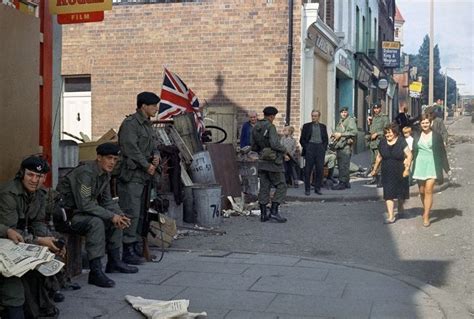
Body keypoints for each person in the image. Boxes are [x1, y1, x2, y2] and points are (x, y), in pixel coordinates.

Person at [56, 143, 138, 288]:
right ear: (99, 158)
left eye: (115, 159)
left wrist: (119, 215)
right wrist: (111, 216)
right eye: (109, 158)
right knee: (97, 222)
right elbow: (85, 204)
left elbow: (107, 201)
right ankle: (95, 271)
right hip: (67, 216)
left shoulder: (104, 174)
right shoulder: (86, 173)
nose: (112, 162)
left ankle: (114, 262)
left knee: (115, 218)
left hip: (82, 213)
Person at [0, 156, 62, 318]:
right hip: (6, 238)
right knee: (13, 277)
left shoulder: (40, 194)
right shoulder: (9, 193)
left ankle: (43, 300)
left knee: (51, 251)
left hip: (18, 238)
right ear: (22, 174)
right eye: (30, 175)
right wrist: (38, 241)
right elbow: (11, 231)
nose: (34, 180)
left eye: (39, 176)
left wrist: (47, 239)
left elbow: (38, 221)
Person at [117, 91, 161, 265]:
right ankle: (127, 248)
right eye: (153, 105)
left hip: (144, 176)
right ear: (143, 106)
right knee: (131, 212)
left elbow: (153, 144)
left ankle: (136, 246)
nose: (156, 109)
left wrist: (156, 156)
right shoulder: (131, 124)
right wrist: (146, 165)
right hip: (132, 175)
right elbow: (130, 148)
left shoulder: (147, 125)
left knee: (142, 213)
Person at [411, 113, 450, 227]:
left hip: (432, 164)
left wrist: (447, 168)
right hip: (419, 164)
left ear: (431, 123)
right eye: (423, 123)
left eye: (427, 122)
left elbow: (442, 153)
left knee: (428, 190)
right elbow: (413, 151)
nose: (425, 124)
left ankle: (426, 215)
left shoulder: (437, 136)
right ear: (420, 124)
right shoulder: (417, 135)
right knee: (422, 191)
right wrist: (408, 162)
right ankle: (426, 208)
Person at [370, 124, 412, 224]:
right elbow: (379, 157)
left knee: (400, 192)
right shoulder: (383, 142)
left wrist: (407, 169)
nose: (387, 134)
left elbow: (409, 155)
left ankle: (400, 206)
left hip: (400, 170)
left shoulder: (401, 141)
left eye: (389, 132)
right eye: (386, 133)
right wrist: (375, 169)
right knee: (388, 193)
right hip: (387, 170)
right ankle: (391, 216)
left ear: (395, 132)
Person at [251, 106, 287, 223]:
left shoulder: (256, 126)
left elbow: (254, 146)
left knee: (264, 187)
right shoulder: (270, 126)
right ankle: (274, 211)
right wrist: (284, 150)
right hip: (273, 162)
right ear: (272, 116)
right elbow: (275, 144)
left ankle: (263, 214)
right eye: (274, 117)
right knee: (281, 185)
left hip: (261, 161)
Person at [300, 110, 329, 195]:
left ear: (319, 117)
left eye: (315, 116)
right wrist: (307, 147)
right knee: (308, 169)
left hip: (320, 147)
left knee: (320, 169)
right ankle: (307, 189)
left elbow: (325, 139)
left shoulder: (323, 126)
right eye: (312, 116)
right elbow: (302, 139)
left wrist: (323, 148)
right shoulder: (306, 126)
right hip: (310, 147)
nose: (313, 117)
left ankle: (318, 188)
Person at [331, 107, 357, 190]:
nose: (344, 114)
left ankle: (342, 183)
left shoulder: (350, 120)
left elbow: (354, 132)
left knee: (343, 165)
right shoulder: (341, 121)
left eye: (345, 112)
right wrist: (334, 135)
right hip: (340, 145)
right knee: (343, 165)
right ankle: (346, 182)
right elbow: (338, 132)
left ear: (347, 112)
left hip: (345, 146)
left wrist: (341, 135)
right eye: (342, 112)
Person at [367, 103, 390, 186]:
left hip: (380, 142)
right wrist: (369, 123)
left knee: (379, 161)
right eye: (374, 109)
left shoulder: (384, 117)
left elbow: (387, 129)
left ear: (380, 108)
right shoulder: (373, 118)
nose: (376, 110)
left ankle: (381, 179)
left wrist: (377, 133)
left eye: (377, 108)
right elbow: (371, 130)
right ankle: (374, 178)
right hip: (372, 143)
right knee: (373, 162)